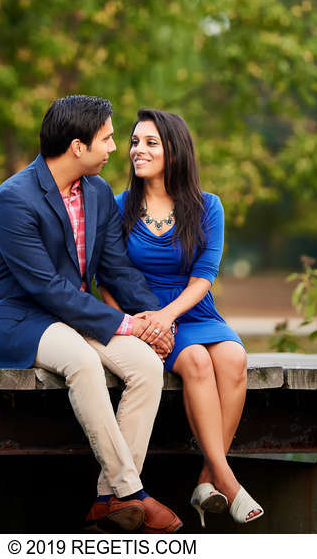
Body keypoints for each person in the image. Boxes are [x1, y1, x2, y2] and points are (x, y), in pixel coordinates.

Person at [0, 95, 182, 533]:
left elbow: (116, 270)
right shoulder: (13, 199)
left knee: (144, 364)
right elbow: (46, 288)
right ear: (78, 146)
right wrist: (127, 324)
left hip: (76, 319)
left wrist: (156, 319)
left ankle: (107, 498)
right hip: (23, 321)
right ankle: (133, 492)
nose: (114, 148)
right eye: (106, 138)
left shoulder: (98, 193)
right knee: (82, 363)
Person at [98, 108, 264, 527]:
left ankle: (208, 479)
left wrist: (167, 316)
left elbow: (204, 277)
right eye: (134, 142)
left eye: (150, 142)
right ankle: (227, 480)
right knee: (195, 362)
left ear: (175, 151)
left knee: (232, 359)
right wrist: (133, 328)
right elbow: (108, 279)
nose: (137, 150)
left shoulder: (208, 206)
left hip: (192, 311)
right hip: (144, 323)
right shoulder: (118, 208)